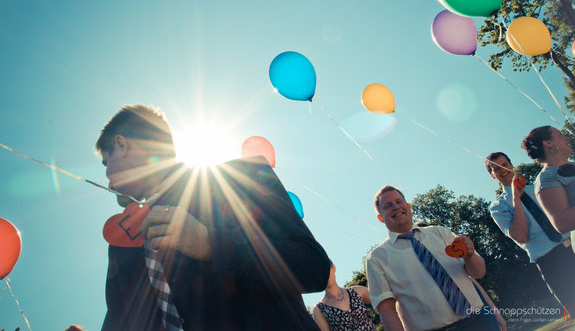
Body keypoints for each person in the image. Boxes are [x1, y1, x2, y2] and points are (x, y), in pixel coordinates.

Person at [96, 104, 330, 330]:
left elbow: (314, 268)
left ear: (121, 144)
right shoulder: (121, 245)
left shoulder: (241, 178)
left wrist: (210, 243)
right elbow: (119, 321)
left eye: (107, 163)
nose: (108, 180)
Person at [486, 151, 575, 330]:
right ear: (493, 175)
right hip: (552, 261)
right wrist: (516, 197)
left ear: (511, 165)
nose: (502, 169)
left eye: (504, 164)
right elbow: (520, 236)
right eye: (495, 168)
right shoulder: (498, 207)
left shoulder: (540, 188)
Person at [366, 185, 496, 331]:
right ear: (380, 218)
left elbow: (478, 273)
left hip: (478, 323)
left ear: (408, 206)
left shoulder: (440, 233)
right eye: (388, 206)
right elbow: (386, 309)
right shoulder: (377, 258)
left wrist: (470, 256)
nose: (396, 207)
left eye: (399, 201)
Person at [522, 126, 575, 284]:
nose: (566, 137)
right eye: (560, 134)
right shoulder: (546, 179)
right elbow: (561, 222)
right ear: (548, 143)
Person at [313, 263, 375, 331]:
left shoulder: (357, 291)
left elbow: (383, 300)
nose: (324, 274)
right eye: (319, 272)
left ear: (333, 267)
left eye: (325, 268)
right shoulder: (319, 309)